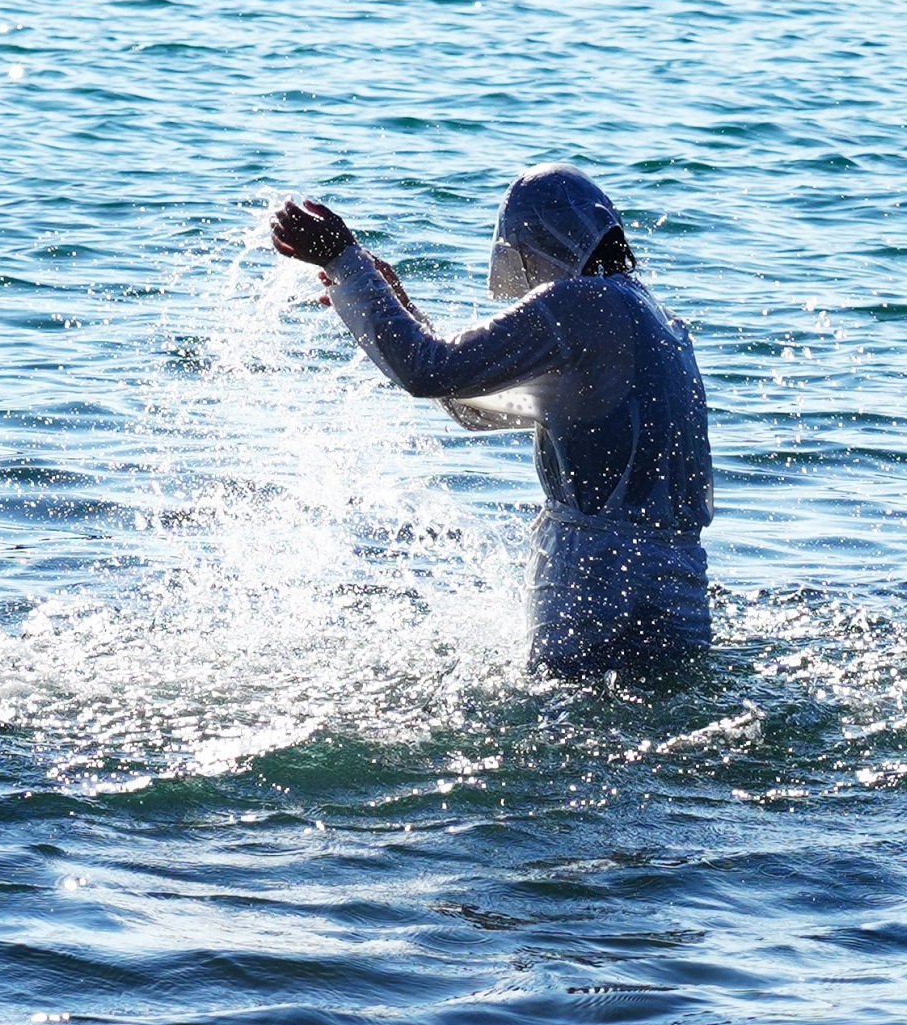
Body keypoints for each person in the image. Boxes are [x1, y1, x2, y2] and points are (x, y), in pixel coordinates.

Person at [269, 164, 713, 675]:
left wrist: (345, 261)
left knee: (564, 730)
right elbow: (470, 404)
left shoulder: (575, 304)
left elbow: (426, 371)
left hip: (594, 573)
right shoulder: (655, 319)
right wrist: (393, 303)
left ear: (533, 244)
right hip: (678, 577)